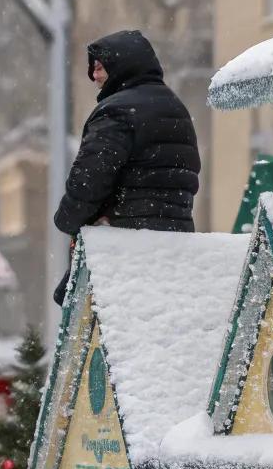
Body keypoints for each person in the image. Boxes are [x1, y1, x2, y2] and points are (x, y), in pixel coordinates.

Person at [52, 30, 200, 304]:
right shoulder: (177, 108)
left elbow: (88, 181)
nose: (93, 77)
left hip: (124, 245)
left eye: (98, 68)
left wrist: (66, 219)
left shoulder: (116, 111)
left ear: (122, 65)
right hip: (176, 246)